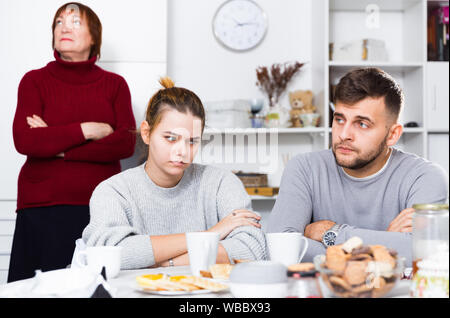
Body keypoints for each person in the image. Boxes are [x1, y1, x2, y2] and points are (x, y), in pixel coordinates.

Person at [267, 67, 448, 266]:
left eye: (362, 124)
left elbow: (427, 254)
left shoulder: (425, 177)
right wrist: (383, 247)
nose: (344, 134)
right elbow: (280, 250)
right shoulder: (304, 168)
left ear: (393, 135)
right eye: (339, 119)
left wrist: (331, 233)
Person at [8, 2, 136, 282]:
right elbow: (26, 140)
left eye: (76, 22)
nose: (65, 27)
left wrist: (58, 145)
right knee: (37, 289)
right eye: (58, 22)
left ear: (94, 37)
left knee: (97, 287)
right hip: (42, 206)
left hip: (100, 206)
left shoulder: (115, 85)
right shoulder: (34, 81)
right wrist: (88, 129)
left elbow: (125, 144)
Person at [82, 77, 266, 269]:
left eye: (192, 141)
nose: (183, 151)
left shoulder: (222, 183)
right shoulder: (113, 191)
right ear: (146, 133)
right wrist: (211, 235)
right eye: (171, 138)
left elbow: (252, 249)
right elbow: (111, 254)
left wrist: (163, 262)